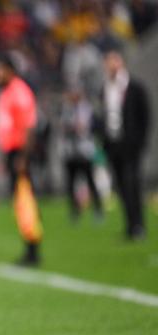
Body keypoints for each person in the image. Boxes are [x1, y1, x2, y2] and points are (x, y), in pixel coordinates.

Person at [0, 55, 41, 266]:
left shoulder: (19, 92)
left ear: (9, 70)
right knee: (20, 201)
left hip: (20, 153)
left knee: (25, 199)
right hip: (12, 153)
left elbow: (29, 127)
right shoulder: (7, 92)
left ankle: (33, 250)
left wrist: (22, 158)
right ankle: (29, 246)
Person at [99, 49, 151, 240]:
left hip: (131, 145)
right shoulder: (105, 88)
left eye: (114, 61)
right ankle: (130, 225)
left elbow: (145, 116)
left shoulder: (134, 87)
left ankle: (139, 225)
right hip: (114, 145)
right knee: (121, 186)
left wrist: (140, 141)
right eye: (108, 61)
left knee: (132, 184)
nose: (111, 65)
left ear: (121, 63)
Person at [59, 86, 103, 221]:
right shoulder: (65, 110)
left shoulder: (87, 109)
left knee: (90, 181)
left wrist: (85, 128)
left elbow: (96, 126)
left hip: (85, 151)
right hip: (70, 152)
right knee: (71, 183)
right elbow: (61, 127)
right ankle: (74, 211)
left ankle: (97, 209)